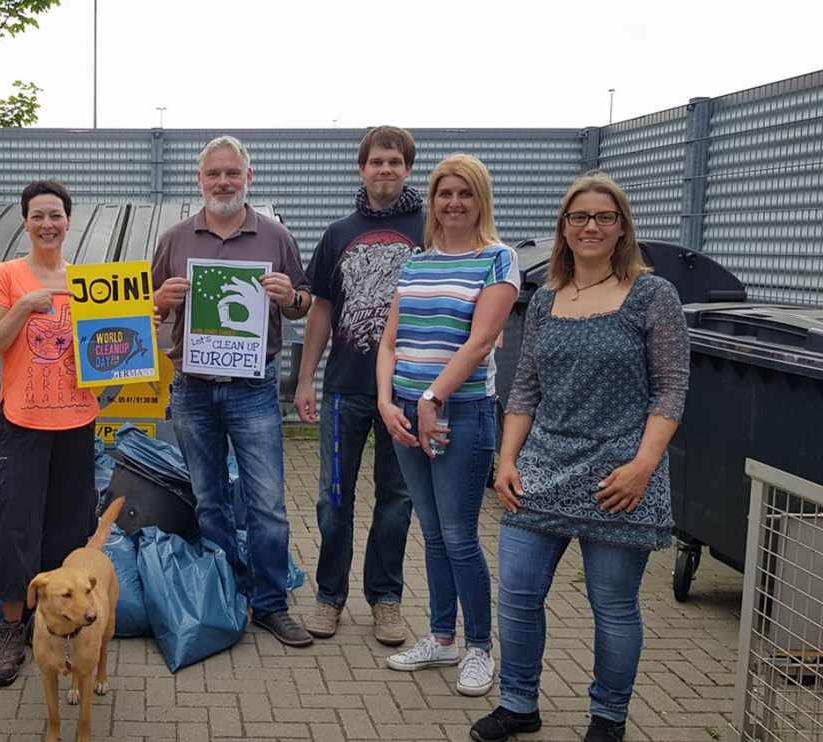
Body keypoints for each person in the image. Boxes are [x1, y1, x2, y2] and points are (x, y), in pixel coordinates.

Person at [470, 173, 689, 742]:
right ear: (563, 228)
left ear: (622, 228)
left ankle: (608, 719)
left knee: (612, 605)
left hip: (620, 474)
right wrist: (507, 460)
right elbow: (525, 389)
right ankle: (518, 704)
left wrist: (643, 466)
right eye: (578, 217)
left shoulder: (653, 294)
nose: (590, 227)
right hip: (542, 467)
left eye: (603, 217)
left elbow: (671, 389)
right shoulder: (544, 299)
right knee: (517, 595)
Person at [151, 135, 314, 647]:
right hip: (192, 389)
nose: (223, 182)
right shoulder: (175, 238)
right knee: (208, 500)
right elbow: (145, 310)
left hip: (253, 388)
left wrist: (292, 297)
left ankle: (269, 603)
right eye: (213, 174)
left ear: (249, 177)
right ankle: (226, 594)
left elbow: (303, 301)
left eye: (232, 173)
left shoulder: (276, 236)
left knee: (266, 503)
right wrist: (159, 299)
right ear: (199, 181)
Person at [377, 153, 518, 697]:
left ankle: (480, 647)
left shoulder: (498, 260)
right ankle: (442, 638)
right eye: (444, 193)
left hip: (460, 413)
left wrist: (433, 397)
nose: (454, 202)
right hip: (409, 414)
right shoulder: (415, 262)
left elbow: (480, 341)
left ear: (481, 200)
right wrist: (389, 403)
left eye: (465, 193)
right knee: (432, 532)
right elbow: (391, 341)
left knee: (460, 536)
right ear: (432, 201)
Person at [295, 125, 423, 644]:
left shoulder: (432, 227)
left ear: (408, 168)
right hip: (346, 387)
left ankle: (386, 599)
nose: (386, 170)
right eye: (377, 161)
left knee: (397, 499)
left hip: (409, 390)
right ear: (362, 168)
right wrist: (305, 378)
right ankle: (329, 598)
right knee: (333, 498)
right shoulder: (338, 233)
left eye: (395, 161)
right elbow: (322, 307)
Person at [0, 180, 101, 686]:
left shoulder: (90, 280)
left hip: (78, 419)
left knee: (70, 527)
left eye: (56, 215)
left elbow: (114, 344)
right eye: (37, 216)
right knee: (17, 526)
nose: (47, 224)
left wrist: (144, 316)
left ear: (68, 222)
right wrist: (25, 307)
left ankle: (61, 626)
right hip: (24, 420)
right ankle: (12, 629)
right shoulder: (7, 276)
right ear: (25, 223)